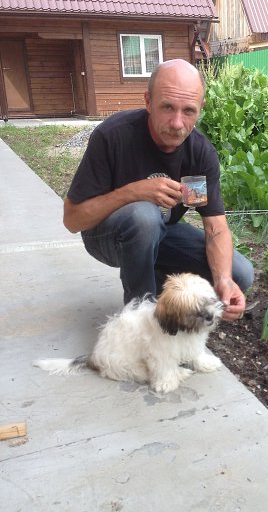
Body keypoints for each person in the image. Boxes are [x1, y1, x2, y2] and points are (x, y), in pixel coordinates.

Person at [63, 59, 254, 322]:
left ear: (200, 109)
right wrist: (132, 192)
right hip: (105, 237)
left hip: (161, 233)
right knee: (144, 216)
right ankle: (141, 319)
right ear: (148, 101)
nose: (177, 123)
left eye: (189, 111)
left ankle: (156, 284)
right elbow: (73, 220)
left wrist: (224, 280)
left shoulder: (198, 153)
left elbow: (215, 227)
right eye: (167, 107)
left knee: (240, 273)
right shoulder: (114, 136)